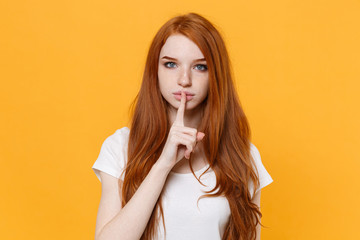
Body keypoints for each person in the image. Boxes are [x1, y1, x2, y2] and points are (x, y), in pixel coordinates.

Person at [92, 12, 273, 240]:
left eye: (200, 67)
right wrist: (163, 164)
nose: (184, 80)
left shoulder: (242, 156)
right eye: (171, 64)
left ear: (216, 75)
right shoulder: (120, 147)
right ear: (154, 71)